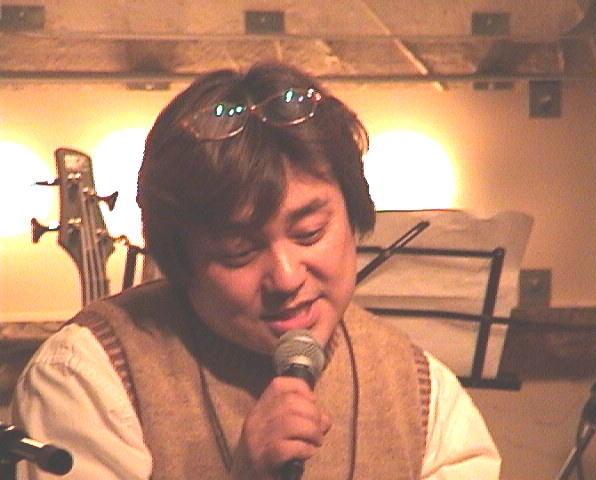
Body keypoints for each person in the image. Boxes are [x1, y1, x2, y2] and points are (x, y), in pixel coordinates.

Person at [11, 61, 500, 479]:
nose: (286, 278)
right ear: (180, 258)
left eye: (309, 233)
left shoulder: (420, 391)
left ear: (353, 214)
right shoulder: (87, 374)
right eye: (238, 251)